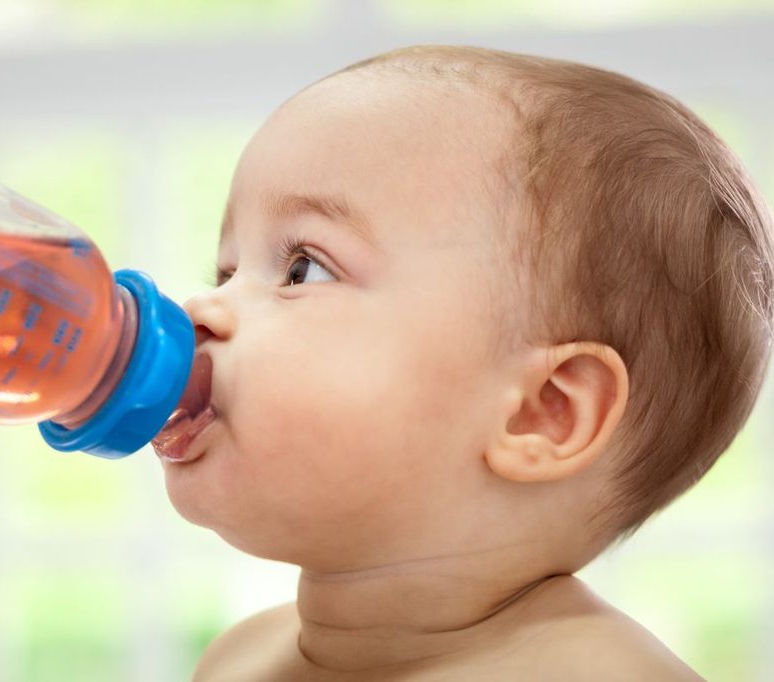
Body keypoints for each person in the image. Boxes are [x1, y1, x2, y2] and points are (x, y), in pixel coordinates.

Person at [156, 46, 773, 680]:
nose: (203, 306)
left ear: (543, 412)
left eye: (301, 269)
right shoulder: (236, 658)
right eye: (228, 271)